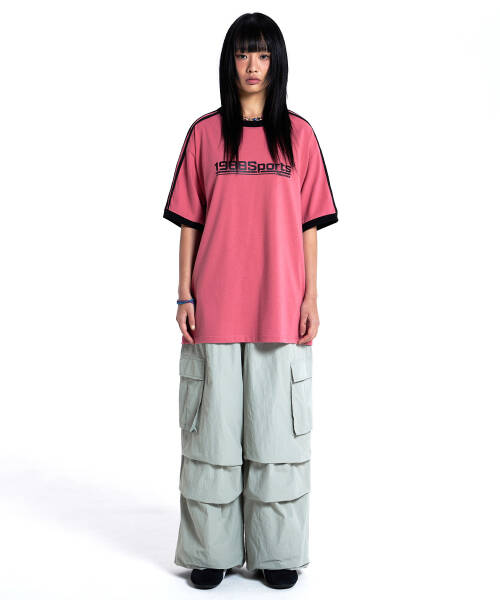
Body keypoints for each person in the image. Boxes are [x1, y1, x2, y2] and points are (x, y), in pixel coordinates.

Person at [163, 12, 338, 590]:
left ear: (277, 62)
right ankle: (210, 551)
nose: (253, 66)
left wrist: (312, 296)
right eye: (243, 54)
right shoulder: (205, 134)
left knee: (277, 440)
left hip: (280, 309)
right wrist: (184, 292)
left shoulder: (300, 136)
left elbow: (310, 225)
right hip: (214, 308)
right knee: (212, 440)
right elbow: (189, 221)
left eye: (262, 54)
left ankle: (276, 552)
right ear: (229, 62)